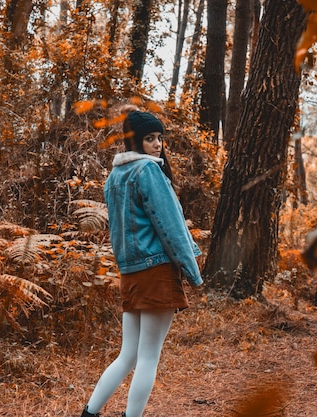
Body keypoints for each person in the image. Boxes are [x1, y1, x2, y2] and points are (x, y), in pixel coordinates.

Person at [80, 108, 203, 417]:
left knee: (128, 356)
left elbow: (120, 233)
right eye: (150, 139)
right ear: (134, 141)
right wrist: (193, 271)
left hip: (131, 274)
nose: (157, 145)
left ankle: (89, 413)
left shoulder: (115, 176)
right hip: (157, 273)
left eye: (159, 138)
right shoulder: (147, 171)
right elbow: (171, 225)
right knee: (148, 357)